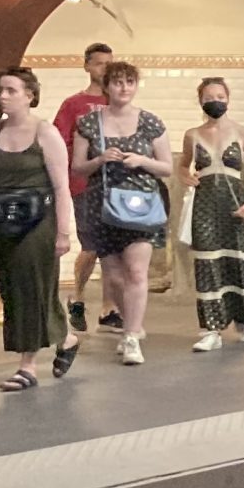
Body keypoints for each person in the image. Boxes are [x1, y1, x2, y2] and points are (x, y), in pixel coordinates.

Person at [0, 69, 77, 391]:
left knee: (31, 287)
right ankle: (66, 338)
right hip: (2, 219)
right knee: (9, 287)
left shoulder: (46, 133)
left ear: (29, 95)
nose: (3, 96)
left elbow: (61, 186)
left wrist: (64, 232)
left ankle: (27, 367)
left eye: (11, 90)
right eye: (2, 90)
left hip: (38, 222)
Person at [70, 60, 171, 365]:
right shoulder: (89, 123)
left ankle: (131, 336)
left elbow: (166, 167)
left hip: (141, 206)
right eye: (117, 82)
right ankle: (131, 325)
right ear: (107, 86)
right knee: (114, 277)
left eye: (129, 82)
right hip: (102, 205)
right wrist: (100, 159)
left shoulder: (151, 122)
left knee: (137, 272)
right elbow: (77, 167)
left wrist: (142, 160)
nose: (124, 88)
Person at [179, 77, 244, 352]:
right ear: (201, 101)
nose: (214, 101)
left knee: (238, 258)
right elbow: (183, 166)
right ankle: (211, 327)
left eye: (219, 95)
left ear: (228, 99)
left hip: (235, 202)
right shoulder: (192, 135)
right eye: (208, 96)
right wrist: (187, 176)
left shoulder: (243, 133)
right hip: (205, 204)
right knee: (207, 260)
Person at [54, 43, 116, 334]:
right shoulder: (73, 105)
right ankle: (76, 297)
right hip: (83, 184)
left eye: (109, 63)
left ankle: (109, 308)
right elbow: (58, 142)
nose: (104, 68)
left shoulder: (117, 102)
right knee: (91, 246)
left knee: (113, 249)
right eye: (99, 63)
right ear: (88, 66)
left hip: (114, 184)